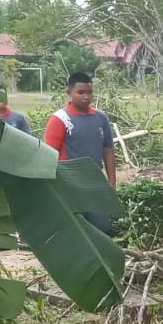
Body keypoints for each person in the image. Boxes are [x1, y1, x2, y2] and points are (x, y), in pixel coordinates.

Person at [43, 72, 116, 233]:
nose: (86, 97)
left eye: (89, 93)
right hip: (69, 186)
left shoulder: (100, 118)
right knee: (76, 230)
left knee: (102, 228)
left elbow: (108, 150)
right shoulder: (60, 119)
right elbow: (49, 155)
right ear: (69, 93)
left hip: (95, 183)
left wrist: (112, 183)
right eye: (81, 93)